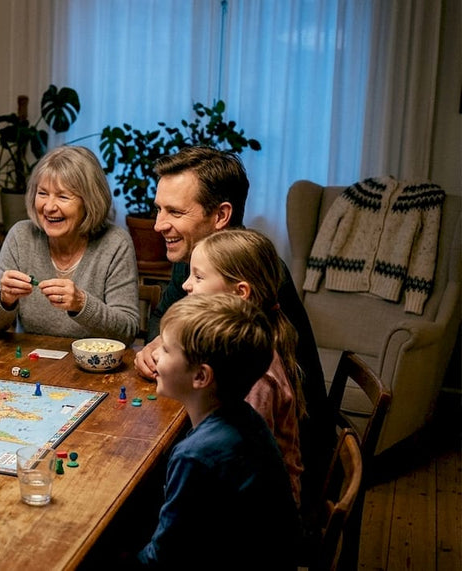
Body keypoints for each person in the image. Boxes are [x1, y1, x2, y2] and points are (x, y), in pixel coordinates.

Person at [131, 145, 331, 512]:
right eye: (159, 208)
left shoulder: (251, 272)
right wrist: (156, 343)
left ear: (221, 214)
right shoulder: (194, 259)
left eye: (174, 211)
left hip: (273, 483)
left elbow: (259, 433)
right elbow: (165, 316)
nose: (158, 224)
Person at [133, 294, 301, 570]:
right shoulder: (246, 417)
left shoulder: (196, 455)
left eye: (165, 350)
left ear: (201, 377)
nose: (154, 355)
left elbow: (164, 558)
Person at [182, 228, 305, 506]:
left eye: (199, 277)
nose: (186, 285)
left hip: (261, 518)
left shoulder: (255, 377)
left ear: (240, 294)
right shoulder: (242, 349)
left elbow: (243, 463)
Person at [0, 145, 139, 343]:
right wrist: (4, 300)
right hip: (30, 364)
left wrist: (82, 304)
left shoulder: (115, 243)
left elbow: (128, 330)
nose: (49, 207)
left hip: (94, 369)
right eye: (42, 193)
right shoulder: (21, 236)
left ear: (89, 201)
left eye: (62, 196)